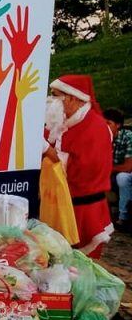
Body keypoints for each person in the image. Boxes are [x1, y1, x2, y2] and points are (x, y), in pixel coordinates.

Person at [44, 74, 113, 258]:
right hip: (61, 203)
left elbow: (84, 171)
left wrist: (49, 153)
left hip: (83, 209)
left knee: (80, 265)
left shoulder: (95, 127)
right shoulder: (63, 121)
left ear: (72, 97)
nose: (52, 100)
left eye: (56, 95)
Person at [104, 108, 132, 231]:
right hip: (112, 172)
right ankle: (105, 218)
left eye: (108, 123)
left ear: (118, 125)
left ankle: (123, 217)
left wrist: (107, 169)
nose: (105, 126)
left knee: (122, 178)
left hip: (125, 173)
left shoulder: (128, 137)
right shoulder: (101, 136)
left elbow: (127, 167)